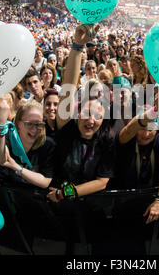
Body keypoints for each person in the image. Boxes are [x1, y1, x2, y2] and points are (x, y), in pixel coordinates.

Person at [46, 23, 115, 202]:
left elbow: (101, 182)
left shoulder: (106, 140)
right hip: (58, 203)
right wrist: (77, 47)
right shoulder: (67, 126)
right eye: (87, 113)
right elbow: (68, 88)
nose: (91, 120)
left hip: (88, 206)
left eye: (98, 116)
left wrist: (65, 193)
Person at [116, 105, 159, 224]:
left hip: (150, 198)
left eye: (151, 129)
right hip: (125, 200)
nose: (146, 134)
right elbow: (126, 132)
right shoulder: (128, 139)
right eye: (142, 128)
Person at [0, 99, 55, 189]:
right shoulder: (9, 137)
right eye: (29, 124)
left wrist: (17, 167)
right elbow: (0, 158)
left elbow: (46, 181)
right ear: (18, 123)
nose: (34, 129)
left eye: (39, 124)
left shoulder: (47, 144)